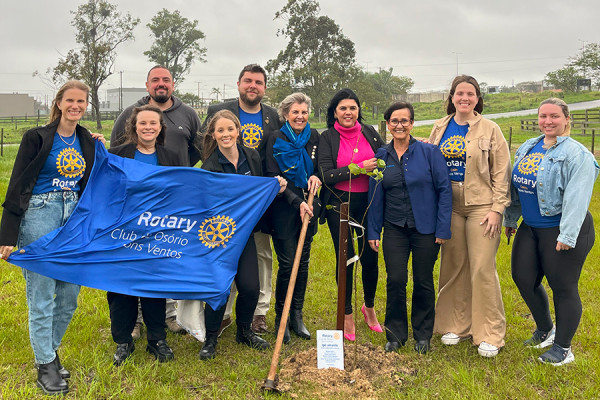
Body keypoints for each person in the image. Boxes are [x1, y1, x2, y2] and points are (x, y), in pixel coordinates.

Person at [0, 81, 104, 395]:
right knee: (42, 295)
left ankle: (51, 351)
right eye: (70, 100)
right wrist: (8, 233)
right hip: (40, 214)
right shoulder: (36, 137)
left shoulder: (86, 138)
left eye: (81, 102)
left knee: (70, 295)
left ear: (86, 105)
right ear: (58, 103)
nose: (76, 106)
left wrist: (101, 149)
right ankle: (45, 364)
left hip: (73, 217)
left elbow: (99, 176)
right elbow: (17, 182)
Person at [504, 98, 598, 365]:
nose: (548, 121)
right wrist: (511, 219)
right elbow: (518, 187)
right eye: (543, 116)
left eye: (554, 116)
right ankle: (545, 330)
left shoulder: (578, 155)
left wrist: (567, 235)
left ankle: (563, 348)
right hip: (531, 226)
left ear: (566, 119)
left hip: (563, 228)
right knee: (523, 278)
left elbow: (578, 198)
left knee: (563, 286)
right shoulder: (527, 146)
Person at [111, 65, 202, 335]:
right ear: (147, 84)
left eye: (166, 80)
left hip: (172, 201)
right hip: (132, 206)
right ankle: (135, 320)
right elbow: (114, 153)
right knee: (134, 258)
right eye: (155, 80)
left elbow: (198, 149)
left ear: (173, 84)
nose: (161, 84)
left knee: (165, 255)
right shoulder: (130, 113)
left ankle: (169, 314)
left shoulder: (188, 114)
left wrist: (179, 169)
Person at [429, 75, 511, 357]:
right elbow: (430, 164)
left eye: (470, 94)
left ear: (477, 98)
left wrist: (497, 209)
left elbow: (502, 174)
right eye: (459, 93)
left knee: (481, 267)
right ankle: (456, 324)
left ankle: (489, 332)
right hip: (448, 206)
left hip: (481, 206)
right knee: (454, 265)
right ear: (451, 97)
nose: (464, 98)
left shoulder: (490, 129)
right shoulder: (440, 127)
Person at [198, 110, 286, 360]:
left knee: (250, 286)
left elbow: (258, 188)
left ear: (238, 131)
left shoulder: (252, 155)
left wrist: (275, 186)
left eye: (230, 129)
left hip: (245, 233)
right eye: (220, 130)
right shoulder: (211, 166)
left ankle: (244, 331)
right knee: (219, 289)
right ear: (213, 135)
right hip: (219, 237)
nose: (225, 134)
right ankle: (211, 338)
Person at [202, 64, 281, 336]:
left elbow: (276, 152)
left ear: (264, 88)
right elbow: (200, 147)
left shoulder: (272, 116)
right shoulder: (218, 112)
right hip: (224, 215)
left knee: (260, 258)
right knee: (225, 263)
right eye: (248, 81)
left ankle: (258, 312)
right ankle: (223, 315)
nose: (253, 86)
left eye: (258, 82)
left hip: (257, 206)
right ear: (238, 84)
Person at [367, 102, 452, 354]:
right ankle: (395, 335)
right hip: (394, 228)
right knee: (395, 279)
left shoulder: (430, 152)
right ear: (388, 125)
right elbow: (375, 197)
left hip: (425, 228)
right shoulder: (381, 157)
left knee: (423, 280)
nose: (399, 125)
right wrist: (373, 231)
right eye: (394, 121)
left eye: (404, 121)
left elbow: (444, 191)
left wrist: (442, 229)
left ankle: (423, 334)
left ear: (412, 124)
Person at [107, 105, 185, 366]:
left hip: (157, 233)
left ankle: (156, 339)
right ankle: (123, 341)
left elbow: (184, 191)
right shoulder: (117, 155)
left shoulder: (171, 157)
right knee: (121, 286)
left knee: (154, 285)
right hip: (123, 232)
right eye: (143, 123)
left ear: (161, 127)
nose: (148, 127)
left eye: (154, 123)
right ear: (134, 126)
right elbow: (103, 186)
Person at [318, 88, 384, 341]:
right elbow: (325, 175)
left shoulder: (370, 133)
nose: (348, 112)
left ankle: (369, 308)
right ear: (335, 111)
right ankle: (346, 314)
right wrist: (357, 168)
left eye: (353, 107)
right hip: (340, 204)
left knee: (370, 256)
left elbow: (384, 159)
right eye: (343, 108)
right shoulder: (328, 138)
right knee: (344, 259)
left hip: (368, 202)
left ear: (358, 110)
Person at [265, 93, 321, 343]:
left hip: (309, 207)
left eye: (304, 112)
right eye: (295, 112)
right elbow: (272, 175)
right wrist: (295, 201)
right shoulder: (276, 138)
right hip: (284, 208)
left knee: (304, 262)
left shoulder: (315, 137)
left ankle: (297, 315)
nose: (300, 116)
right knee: (288, 264)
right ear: (286, 114)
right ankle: (282, 318)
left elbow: (321, 166)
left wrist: (317, 176)